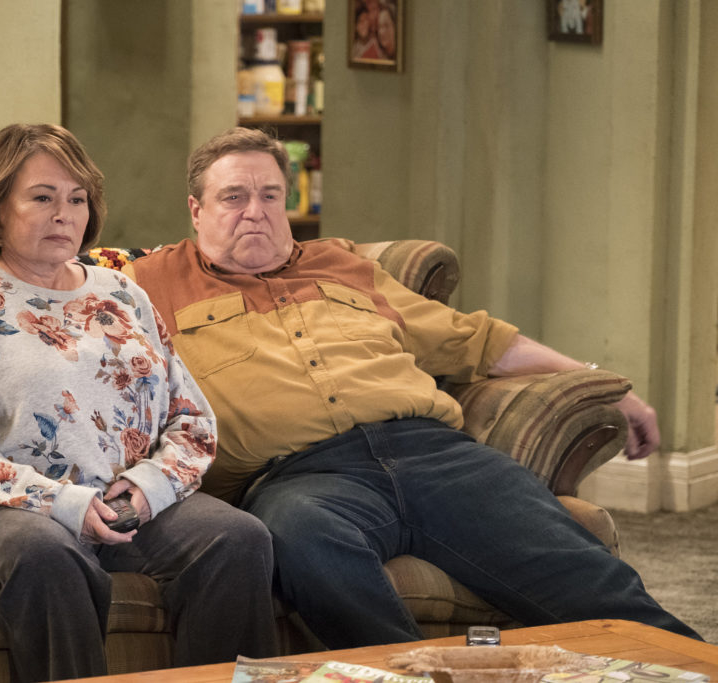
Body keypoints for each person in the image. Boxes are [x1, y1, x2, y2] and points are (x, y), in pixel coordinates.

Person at [124, 126, 702, 650]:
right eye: (234, 197)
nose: (255, 211)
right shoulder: (147, 285)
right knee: (302, 538)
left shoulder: (343, 265)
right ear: (197, 210)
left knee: (589, 576)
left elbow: (477, 341)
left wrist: (603, 385)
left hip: (436, 455)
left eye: (270, 195)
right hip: (300, 479)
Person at [0, 123, 278, 682]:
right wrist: (62, 503)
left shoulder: (121, 293)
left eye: (77, 199)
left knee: (239, 538)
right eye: (42, 198)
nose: (64, 215)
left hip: (122, 499)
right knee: (45, 554)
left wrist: (150, 487)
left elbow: (191, 420)